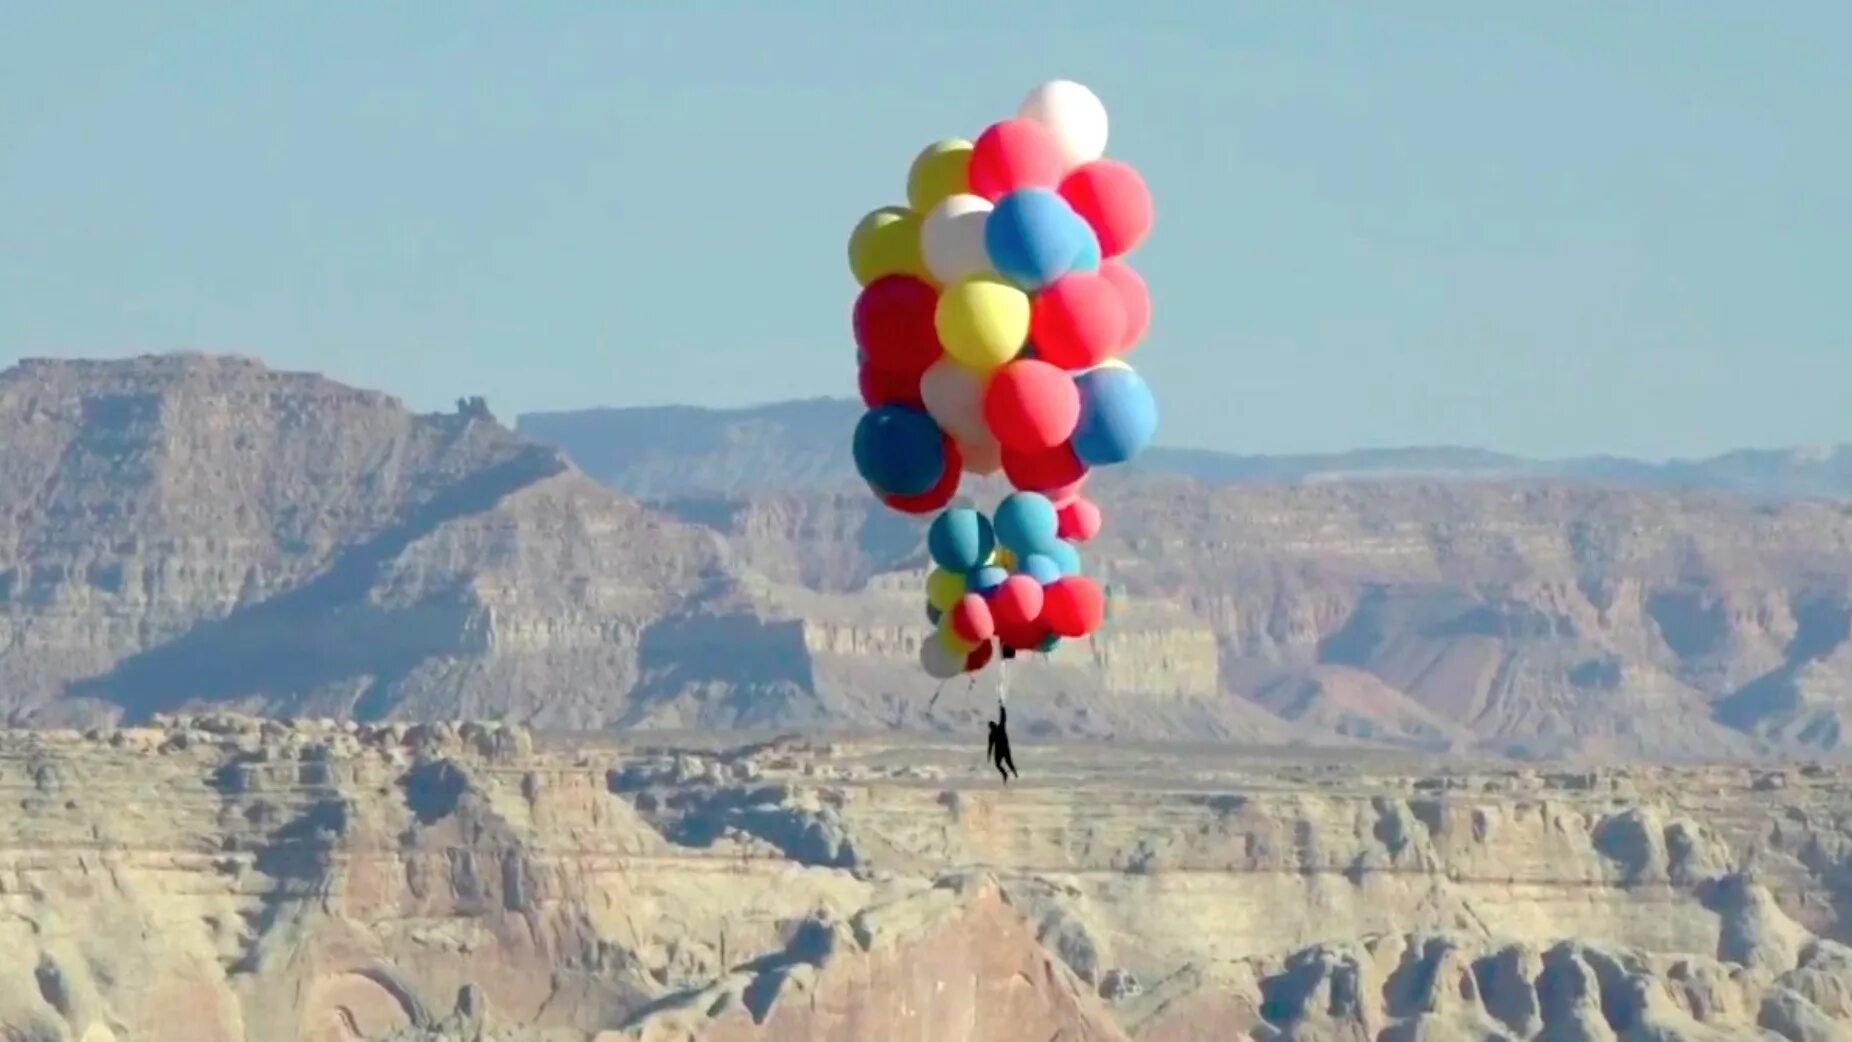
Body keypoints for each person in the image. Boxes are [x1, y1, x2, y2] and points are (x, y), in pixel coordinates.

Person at [986, 703, 1019, 783]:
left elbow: (1003, 718)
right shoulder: (994, 732)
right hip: (1002, 749)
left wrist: (1002, 709)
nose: (991, 728)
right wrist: (989, 755)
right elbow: (990, 746)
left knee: (1007, 762)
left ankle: (1013, 773)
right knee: (1001, 764)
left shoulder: (999, 729)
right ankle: (1007, 774)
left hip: (1003, 749)